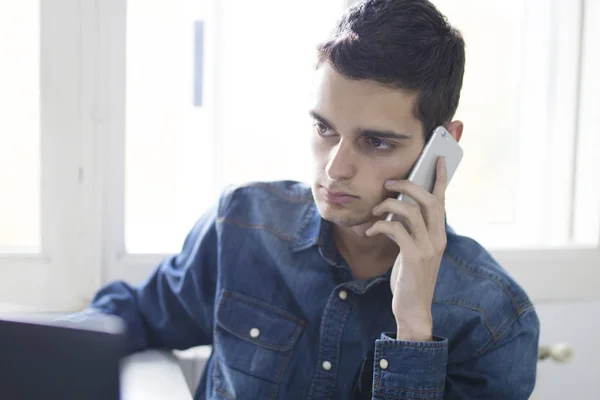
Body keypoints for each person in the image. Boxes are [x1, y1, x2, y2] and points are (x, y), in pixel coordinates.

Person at [72, 0, 540, 398]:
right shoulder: (241, 224)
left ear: (443, 144)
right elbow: (136, 314)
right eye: (324, 128)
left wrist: (413, 328)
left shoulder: (494, 319)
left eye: (376, 142)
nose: (335, 168)